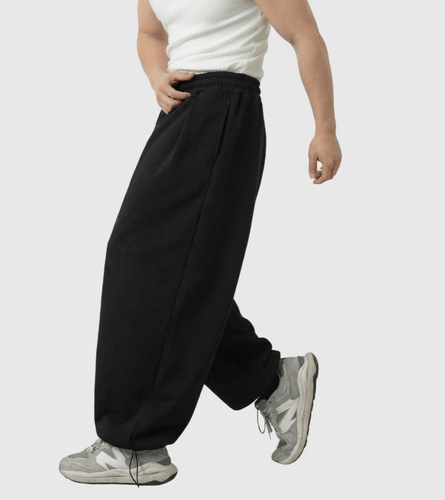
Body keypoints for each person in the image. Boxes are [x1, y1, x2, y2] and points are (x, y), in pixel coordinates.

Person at [59, 0, 342, 487]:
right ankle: (273, 381)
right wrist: (157, 76)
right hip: (183, 111)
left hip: (226, 107)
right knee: (164, 268)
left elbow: (305, 36)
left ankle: (136, 447)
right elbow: (150, 34)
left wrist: (325, 129)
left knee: (159, 267)